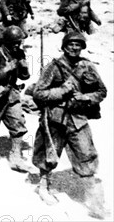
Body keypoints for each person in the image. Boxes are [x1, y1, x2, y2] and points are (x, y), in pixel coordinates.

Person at [31, 32, 108, 218]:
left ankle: (95, 203)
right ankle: (43, 186)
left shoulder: (87, 66)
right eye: (71, 44)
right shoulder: (54, 67)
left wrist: (86, 97)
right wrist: (62, 91)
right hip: (56, 118)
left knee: (86, 155)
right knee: (49, 153)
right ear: (64, 46)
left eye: (78, 45)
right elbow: (39, 93)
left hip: (78, 118)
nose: (74, 48)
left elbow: (101, 91)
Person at [0, 26, 35, 173]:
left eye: (19, 42)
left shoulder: (19, 53)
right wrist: (6, 69)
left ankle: (16, 156)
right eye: (14, 43)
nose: (17, 46)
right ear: (6, 42)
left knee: (18, 123)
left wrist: (24, 69)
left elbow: (24, 76)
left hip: (11, 93)